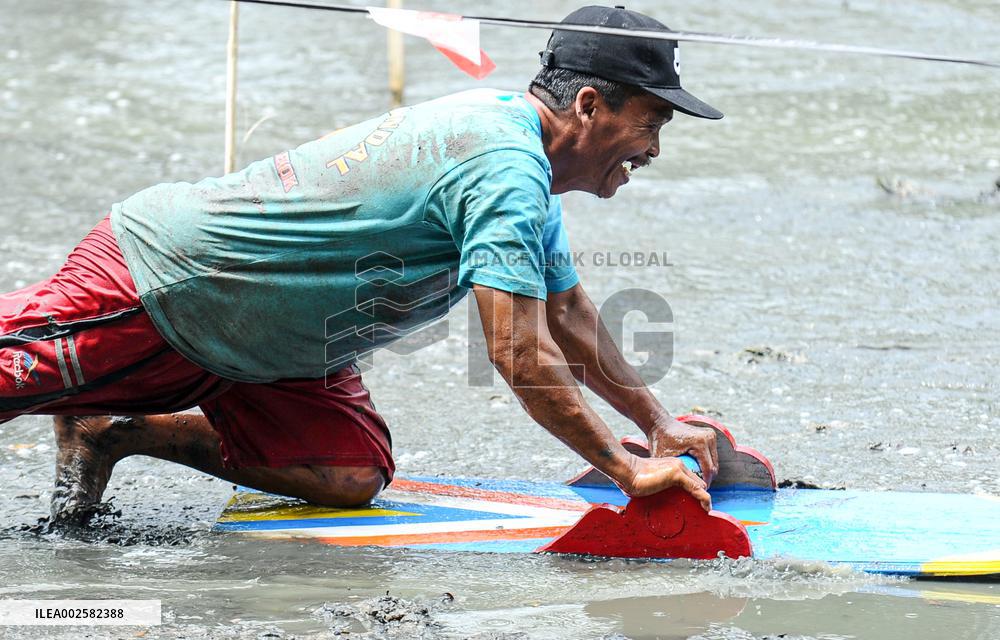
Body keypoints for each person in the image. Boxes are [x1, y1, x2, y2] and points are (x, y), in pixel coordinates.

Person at [0, 6, 723, 523]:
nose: (653, 149)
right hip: (169, 285)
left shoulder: (520, 168)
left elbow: (565, 314)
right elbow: (516, 348)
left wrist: (656, 423)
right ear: (590, 105)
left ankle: (109, 428)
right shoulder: (503, 164)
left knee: (346, 472)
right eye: (651, 124)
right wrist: (624, 470)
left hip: (268, 347)